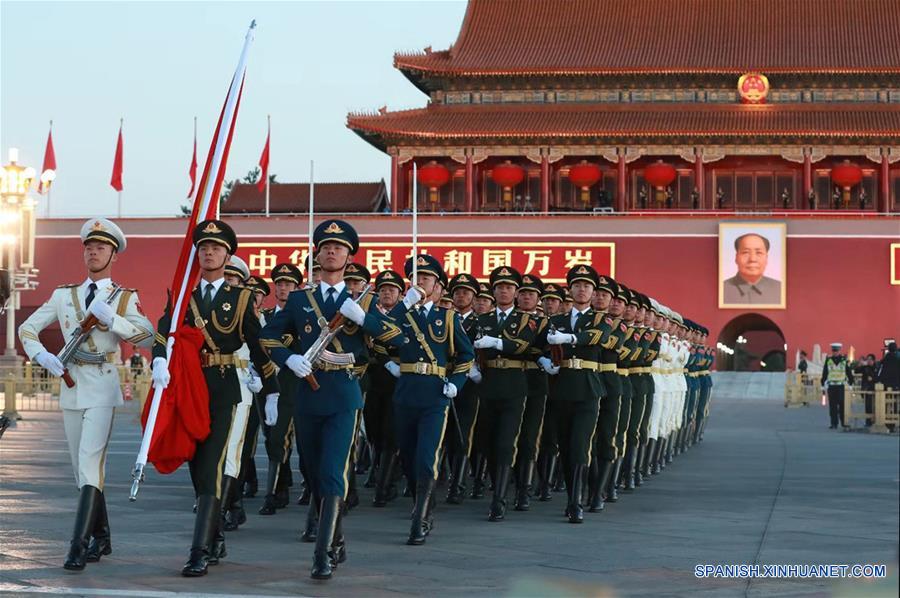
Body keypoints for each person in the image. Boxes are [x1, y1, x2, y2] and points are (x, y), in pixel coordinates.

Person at [260, 219, 410, 580]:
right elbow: (268, 337)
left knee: (332, 471)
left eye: (339, 248)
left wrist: (366, 320)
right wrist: (288, 359)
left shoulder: (364, 301)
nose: (331, 251)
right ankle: (336, 537)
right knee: (313, 472)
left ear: (349, 257)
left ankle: (323, 552)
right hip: (308, 392)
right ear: (317, 255)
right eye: (326, 247)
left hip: (344, 392)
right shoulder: (300, 299)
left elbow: (399, 337)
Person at [19, 218, 154, 571]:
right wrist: (41, 355)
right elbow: (27, 328)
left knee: (91, 462)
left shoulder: (123, 298)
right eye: (89, 247)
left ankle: (77, 545)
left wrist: (114, 321)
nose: (93, 252)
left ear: (114, 255)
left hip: (103, 386)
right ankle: (102, 536)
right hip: (71, 385)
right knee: (82, 471)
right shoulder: (64, 295)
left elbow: (149, 337)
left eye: (101, 248)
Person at [151, 219, 279, 577]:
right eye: (204, 248)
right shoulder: (183, 296)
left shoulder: (240, 298)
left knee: (212, 465)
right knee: (196, 464)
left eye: (216, 248)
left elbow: (258, 346)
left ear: (227, 256)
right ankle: (216, 534)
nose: (209, 253)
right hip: (191, 387)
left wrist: (272, 390)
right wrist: (158, 358)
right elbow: (165, 329)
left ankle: (199, 550)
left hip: (225, 388)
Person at [392, 255, 474, 544]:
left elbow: (466, 355)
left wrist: (456, 383)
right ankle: (421, 500)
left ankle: (421, 517)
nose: (420, 282)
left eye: (426, 278)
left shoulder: (447, 318)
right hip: (406, 391)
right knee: (408, 455)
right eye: (415, 278)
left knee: (427, 456)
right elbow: (380, 333)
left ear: (438, 286)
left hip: (435, 395)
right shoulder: (402, 314)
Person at [472, 266, 539, 522]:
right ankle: (497, 487)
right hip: (488, 384)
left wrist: (498, 343)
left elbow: (524, 345)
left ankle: (499, 499)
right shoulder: (482, 319)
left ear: (516, 292)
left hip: (514, 385)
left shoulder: (526, 320)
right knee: (488, 443)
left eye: (509, 287)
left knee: (506, 442)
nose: (504, 291)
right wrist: (472, 368)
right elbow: (468, 346)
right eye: (500, 287)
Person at [367, 269, 404, 508]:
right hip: (375, 377)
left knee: (392, 432)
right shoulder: (370, 315)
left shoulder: (407, 315)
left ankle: (385, 484)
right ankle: (378, 470)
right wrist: (383, 360)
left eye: (392, 289)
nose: (387, 293)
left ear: (400, 294)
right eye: (383, 289)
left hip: (399, 378)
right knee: (373, 430)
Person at [444, 273, 482, 505]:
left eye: (466, 292)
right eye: (457, 292)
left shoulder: (480, 322)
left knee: (463, 432)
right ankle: (448, 476)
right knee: (446, 432)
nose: (461, 296)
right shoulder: (444, 318)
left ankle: (458, 483)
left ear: (473, 297)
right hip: (445, 378)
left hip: (468, 382)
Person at [722, 233, 782, 305]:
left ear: (766, 258)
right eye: (745, 252)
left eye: (759, 253)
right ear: (736, 257)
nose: (752, 259)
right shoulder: (720, 290)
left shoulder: (781, 289)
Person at [821, 342, 853, 429]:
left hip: (841, 386)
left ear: (839, 351)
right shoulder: (828, 360)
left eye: (836, 351)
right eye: (834, 351)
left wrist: (851, 383)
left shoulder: (844, 360)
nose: (835, 352)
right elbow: (825, 372)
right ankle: (834, 423)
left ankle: (843, 422)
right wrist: (822, 383)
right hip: (831, 386)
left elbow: (848, 372)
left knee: (842, 405)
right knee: (832, 406)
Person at [854, 354, 877, 426]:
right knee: (868, 406)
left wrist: (873, 379)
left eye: (870, 359)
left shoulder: (877, 367)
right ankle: (868, 421)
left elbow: (879, 377)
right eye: (868, 359)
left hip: (876, 389)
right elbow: (856, 371)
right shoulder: (865, 368)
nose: (869, 361)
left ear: (874, 360)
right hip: (866, 389)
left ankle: (875, 421)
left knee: (876, 406)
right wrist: (859, 364)